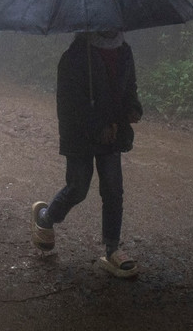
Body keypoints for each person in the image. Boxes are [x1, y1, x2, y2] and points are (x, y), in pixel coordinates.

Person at [31, 29, 143, 279]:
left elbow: (129, 89)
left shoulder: (123, 50)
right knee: (78, 187)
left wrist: (133, 109)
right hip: (81, 135)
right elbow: (69, 104)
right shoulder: (75, 56)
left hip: (112, 133)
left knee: (113, 189)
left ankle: (112, 249)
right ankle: (46, 217)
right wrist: (96, 127)